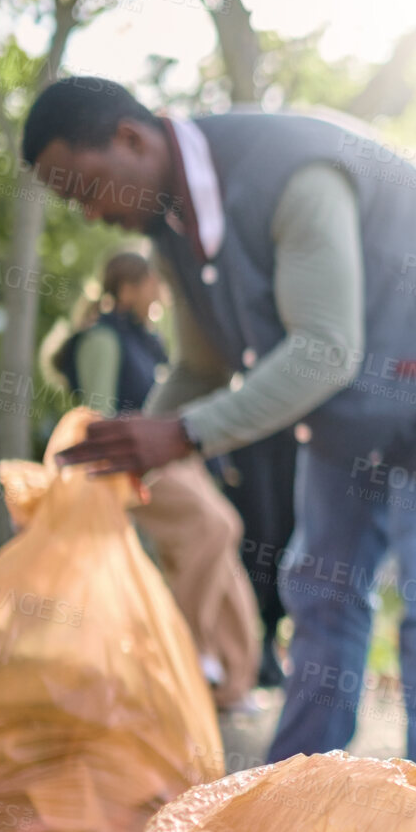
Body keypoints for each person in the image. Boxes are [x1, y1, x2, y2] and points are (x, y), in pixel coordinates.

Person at [23, 78, 416, 767]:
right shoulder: (171, 229)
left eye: (85, 187)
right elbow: (203, 364)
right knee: (320, 582)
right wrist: (136, 444)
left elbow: (324, 350)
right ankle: (297, 781)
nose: (87, 214)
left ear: (131, 140)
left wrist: (178, 436)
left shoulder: (290, 172)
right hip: (355, 387)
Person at [49, 250, 261, 709]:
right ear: (127, 290)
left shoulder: (150, 342)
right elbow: (97, 415)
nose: (160, 293)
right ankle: (183, 652)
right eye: (152, 284)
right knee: (214, 528)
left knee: (224, 535)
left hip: (165, 459)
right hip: (127, 464)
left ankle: (229, 677)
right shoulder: (103, 340)